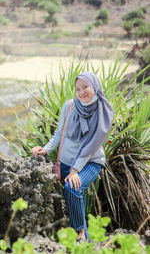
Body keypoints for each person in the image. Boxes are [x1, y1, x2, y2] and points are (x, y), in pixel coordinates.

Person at [31, 71, 114, 241]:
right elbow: (59, 133)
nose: (82, 92)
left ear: (95, 86)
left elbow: (90, 147)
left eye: (85, 87)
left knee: (73, 188)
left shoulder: (101, 112)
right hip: (66, 162)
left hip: (91, 162)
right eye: (78, 89)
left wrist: (75, 170)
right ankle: (84, 241)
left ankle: (80, 232)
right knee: (68, 197)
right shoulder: (69, 107)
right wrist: (45, 149)